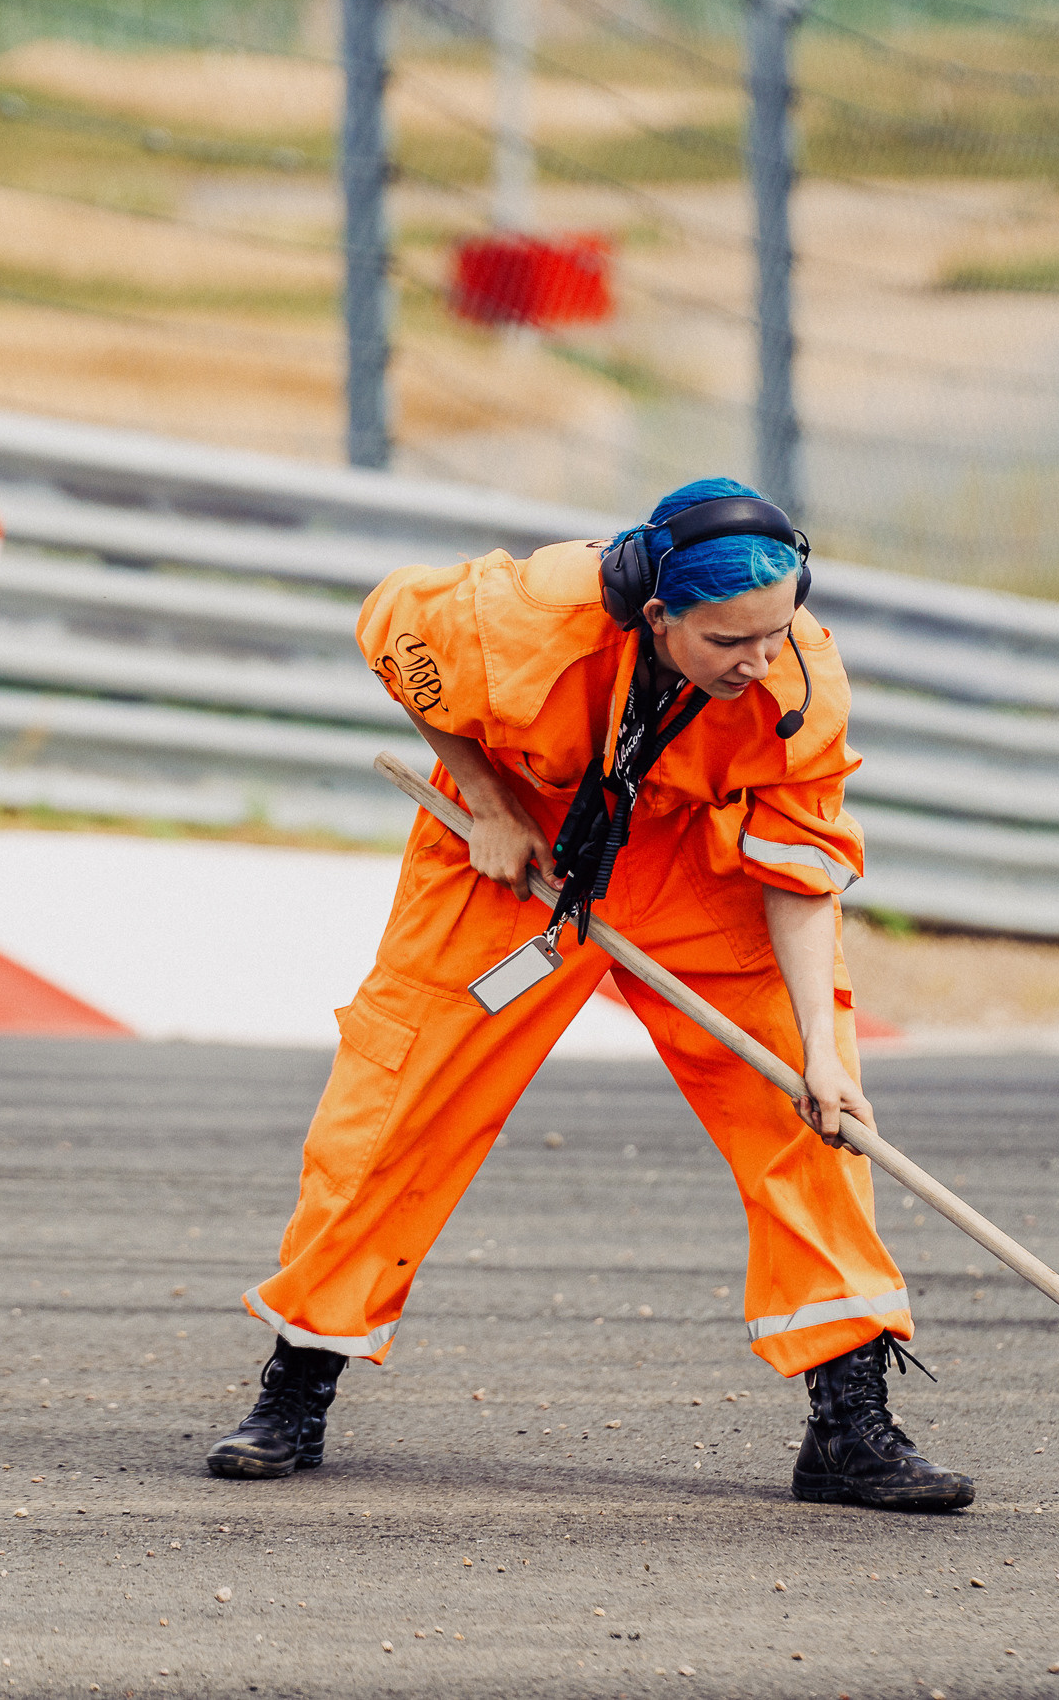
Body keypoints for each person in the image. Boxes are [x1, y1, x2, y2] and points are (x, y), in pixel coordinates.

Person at [206, 477, 970, 1512]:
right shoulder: (530, 613)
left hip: (698, 865)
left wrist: (821, 1060)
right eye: (728, 640)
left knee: (803, 1111)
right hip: (519, 850)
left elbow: (799, 880)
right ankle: (297, 1382)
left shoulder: (797, 684)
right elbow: (395, 643)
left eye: (776, 631)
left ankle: (849, 1421)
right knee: (399, 1099)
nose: (761, 659)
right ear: (657, 616)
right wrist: (484, 800)